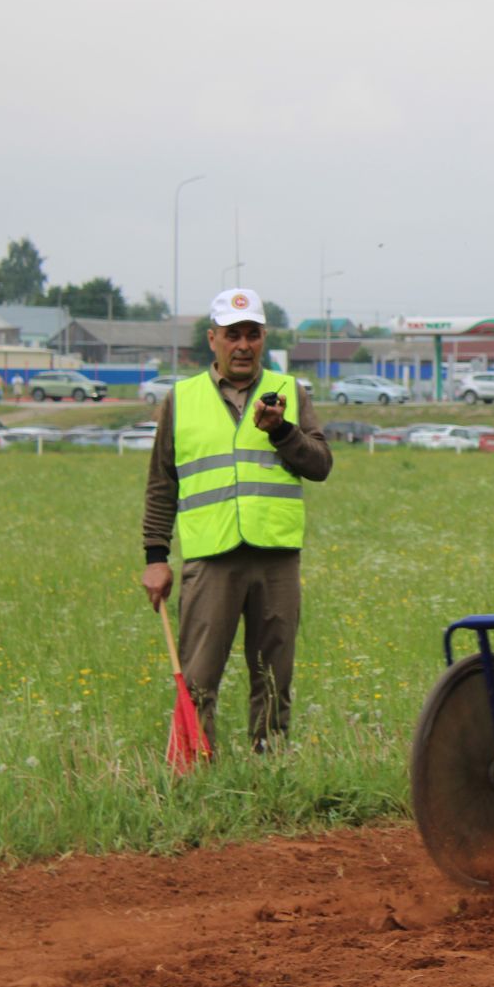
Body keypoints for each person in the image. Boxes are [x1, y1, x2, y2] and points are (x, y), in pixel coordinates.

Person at [139, 288, 332, 752]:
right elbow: (162, 483)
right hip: (210, 559)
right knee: (199, 678)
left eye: (252, 334)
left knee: (273, 677)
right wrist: (156, 557)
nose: (243, 345)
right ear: (213, 339)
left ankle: (271, 768)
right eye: (232, 335)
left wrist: (283, 432)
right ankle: (195, 771)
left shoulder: (290, 393)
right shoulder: (180, 400)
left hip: (276, 558)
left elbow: (320, 465)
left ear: (264, 338)